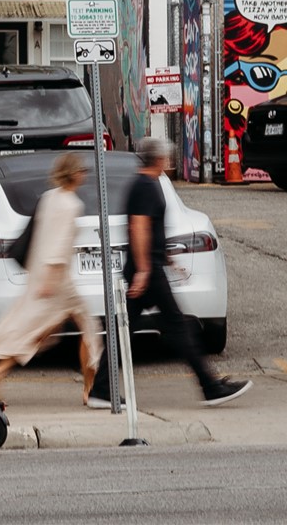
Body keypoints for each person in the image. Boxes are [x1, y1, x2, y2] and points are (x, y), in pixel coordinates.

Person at [88, 137, 251, 408]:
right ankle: (209, 387)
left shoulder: (148, 184)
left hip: (149, 267)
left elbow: (151, 230)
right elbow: (138, 228)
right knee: (176, 327)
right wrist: (142, 269)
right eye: (166, 157)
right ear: (159, 159)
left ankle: (102, 389)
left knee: (124, 330)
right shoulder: (145, 186)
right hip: (148, 273)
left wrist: (167, 258)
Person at [0, 152, 102, 404]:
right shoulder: (70, 204)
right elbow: (58, 244)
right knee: (88, 329)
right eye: (81, 170)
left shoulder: (48, 198)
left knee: (34, 332)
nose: (84, 174)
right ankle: (90, 390)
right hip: (57, 282)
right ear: (73, 174)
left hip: (41, 275)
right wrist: (50, 282)